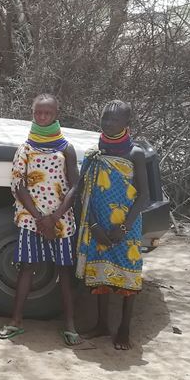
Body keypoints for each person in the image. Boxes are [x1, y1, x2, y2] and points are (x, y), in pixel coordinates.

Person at [0, 94, 81, 345]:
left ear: (56, 114)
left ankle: (70, 324)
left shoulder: (66, 148)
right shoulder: (26, 148)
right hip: (31, 220)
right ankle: (16, 321)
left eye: (48, 113)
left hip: (60, 220)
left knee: (64, 272)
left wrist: (54, 217)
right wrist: (39, 218)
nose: (42, 117)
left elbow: (75, 186)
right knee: (27, 268)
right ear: (33, 114)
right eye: (38, 113)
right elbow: (18, 184)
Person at [76, 100, 149, 351]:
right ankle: (102, 324)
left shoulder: (134, 153)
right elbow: (87, 192)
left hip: (126, 226)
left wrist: (125, 228)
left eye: (114, 119)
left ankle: (124, 328)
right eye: (105, 117)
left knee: (128, 276)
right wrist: (94, 224)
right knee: (101, 274)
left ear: (126, 124)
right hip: (100, 224)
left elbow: (145, 196)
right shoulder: (97, 151)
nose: (107, 123)